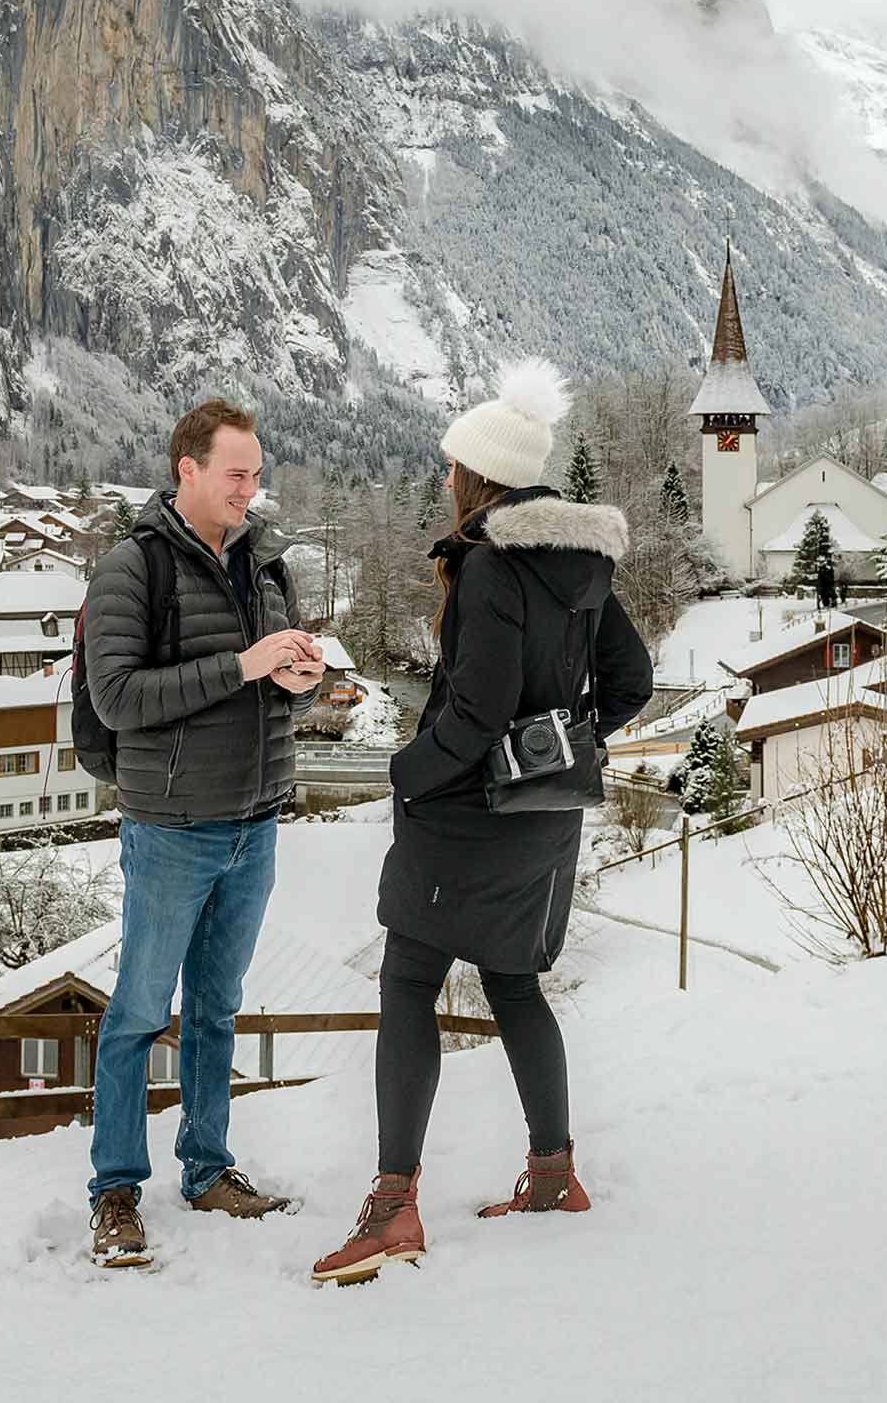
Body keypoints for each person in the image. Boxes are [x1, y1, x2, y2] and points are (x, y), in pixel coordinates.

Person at [313, 358, 654, 1286]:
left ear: (479, 478)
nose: (446, 482)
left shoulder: (493, 564)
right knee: (513, 987)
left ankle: (392, 1207)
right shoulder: (582, 565)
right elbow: (632, 682)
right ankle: (553, 1175)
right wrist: (559, 747)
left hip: (462, 817)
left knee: (408, 984)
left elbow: (475, 707)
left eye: (452, 468)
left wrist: (405, 772)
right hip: (544, 822)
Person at [82, 398, 326, 1269]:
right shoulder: (130, 568)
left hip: (255, 822)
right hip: (172, 826)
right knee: (139, 1012)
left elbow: (273, 689)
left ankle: (208, 1168)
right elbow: (118, 698)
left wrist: (298, 681)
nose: (251, 490)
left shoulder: (265, 565)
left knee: (216, 1010)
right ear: (187, 469)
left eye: (257, 475)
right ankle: (116, 1190)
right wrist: (245, 664)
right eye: (237, 475)